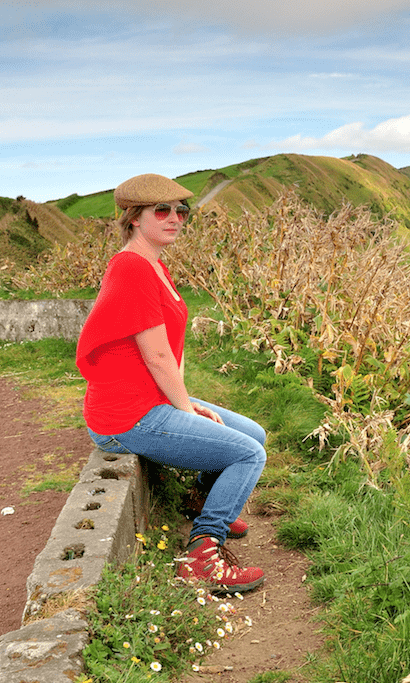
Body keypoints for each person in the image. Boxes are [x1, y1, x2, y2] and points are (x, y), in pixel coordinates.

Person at [75, 173, 266, 593]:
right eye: (162, 210)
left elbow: (167, 356)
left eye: (182, 210)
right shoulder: (132, 269)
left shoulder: (153, 264)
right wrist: (185, 408)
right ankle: (203, 554)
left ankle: (202, 501)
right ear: (133, 219)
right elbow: (157, 357)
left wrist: (183, 403)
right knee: (248, 454)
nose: (175, 218)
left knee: (255, 432)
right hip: (128, 415)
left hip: (147, 399)